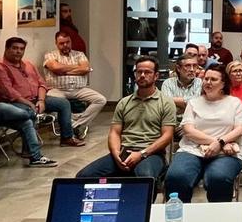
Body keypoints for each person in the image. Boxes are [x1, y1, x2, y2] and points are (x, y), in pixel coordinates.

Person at [75, 56, 174, 185]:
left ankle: (141, 205)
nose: (142, 75)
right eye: (139, 72)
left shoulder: (166, 102)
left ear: (156, 76)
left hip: (151, 153)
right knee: (84, 176)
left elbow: (167, 135)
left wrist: (142, 154)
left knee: (146, 179)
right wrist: (116, 153)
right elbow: (115, 133)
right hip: (124, 151)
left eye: (147, 72)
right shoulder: (124, 102)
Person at [164, 67, 242, 202]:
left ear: (223, 83)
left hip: (227, 152)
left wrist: (221, 143)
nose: (208, 82)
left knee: (218, 178)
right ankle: (179, 216)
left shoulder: (234, 103)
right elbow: (188, 130)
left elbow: (240, 129)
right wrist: (217, 142)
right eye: (206, 79)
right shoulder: (193, 103)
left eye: (213, 79)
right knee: (176, 177)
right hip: (192, 149)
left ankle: (217, 219)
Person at [0, 37, 85, 147]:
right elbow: (10, 92)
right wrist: (30, 103)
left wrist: (41, 100)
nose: (18, 51)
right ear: (6, 49)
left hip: (36, 99)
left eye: (21, 49)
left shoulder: (28, 65)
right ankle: (29, 149)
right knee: (29, 110)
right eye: (15, 48)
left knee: (63, 103)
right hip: (15, 103)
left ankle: (67, 138)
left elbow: (42, 84)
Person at [43, 32, 107, 140]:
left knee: (101, 100)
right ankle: (77, 123)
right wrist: (76, 68)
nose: (65, 45)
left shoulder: (79, 54)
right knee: (51, 102)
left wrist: (63, 71)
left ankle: (77, 125)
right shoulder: (50, 55)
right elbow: (55, 68)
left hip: (79, 89)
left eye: (68, 42)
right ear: (56, 44)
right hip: (57, 90)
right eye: (62, 43)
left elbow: (85, 69)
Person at [160, 54, 202, 126]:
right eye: (188, 66)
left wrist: (172, 100)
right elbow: (167, 108)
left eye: (194, 66)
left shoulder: (199, 82)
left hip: (193, 124)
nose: (192, 70)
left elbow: (197, 105)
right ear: (179, 68)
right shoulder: (168, 83)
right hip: (172, 124)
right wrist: (188, 105)